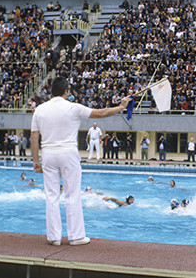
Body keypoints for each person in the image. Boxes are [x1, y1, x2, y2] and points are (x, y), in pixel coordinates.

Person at [31, 76, 129, 246]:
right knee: (72, 194)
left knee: (52, 196)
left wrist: (35, 161)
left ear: (51, 91)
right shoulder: (73, 107)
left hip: (48, 153)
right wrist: (121, 106)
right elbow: (102, 113)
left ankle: (54, 237)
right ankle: (76, 237)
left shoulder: (39, 109)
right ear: (66, 91)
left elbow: (34, 136)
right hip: (68, 153)